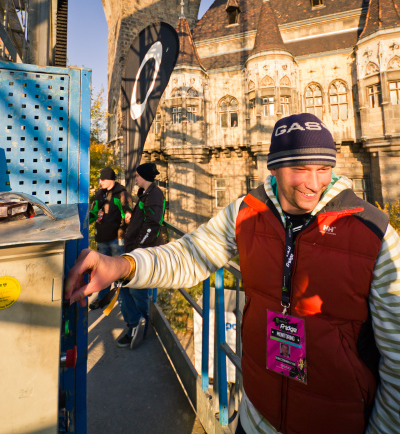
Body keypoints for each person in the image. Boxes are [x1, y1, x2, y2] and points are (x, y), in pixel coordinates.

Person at [66, 114, 400, 434]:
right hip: (256, 417)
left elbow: (397, 359)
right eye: (300, 169)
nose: (314, 183)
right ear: (274, 167)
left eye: (324, 168)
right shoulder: (246, 212)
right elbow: (190, 255)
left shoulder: (374, 233)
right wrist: (123, 266)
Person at [116, 162, 166, 349]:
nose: (135, 178)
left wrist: (139, 249)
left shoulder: (155, 195)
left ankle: (140, 327)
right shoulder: (146, 194)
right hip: (135, 251)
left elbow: (153, 224)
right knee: (125, 287)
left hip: (142, 254)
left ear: (144, 176)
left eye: (137, 175)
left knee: (138, 292)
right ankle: (135, 324)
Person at [88, 167, 132, 310]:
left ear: (110, 179)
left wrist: (128, 216)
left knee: (120, 272)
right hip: (102, 238)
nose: (100, 182)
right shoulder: (99, 194)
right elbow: (94, 212)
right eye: (99, 179)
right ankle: (102, 298)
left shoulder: (122, 194)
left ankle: (124, 300)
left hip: (116, 240)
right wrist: (84, 221)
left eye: (102, 179)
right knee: (102, 271)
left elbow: (127, 211)